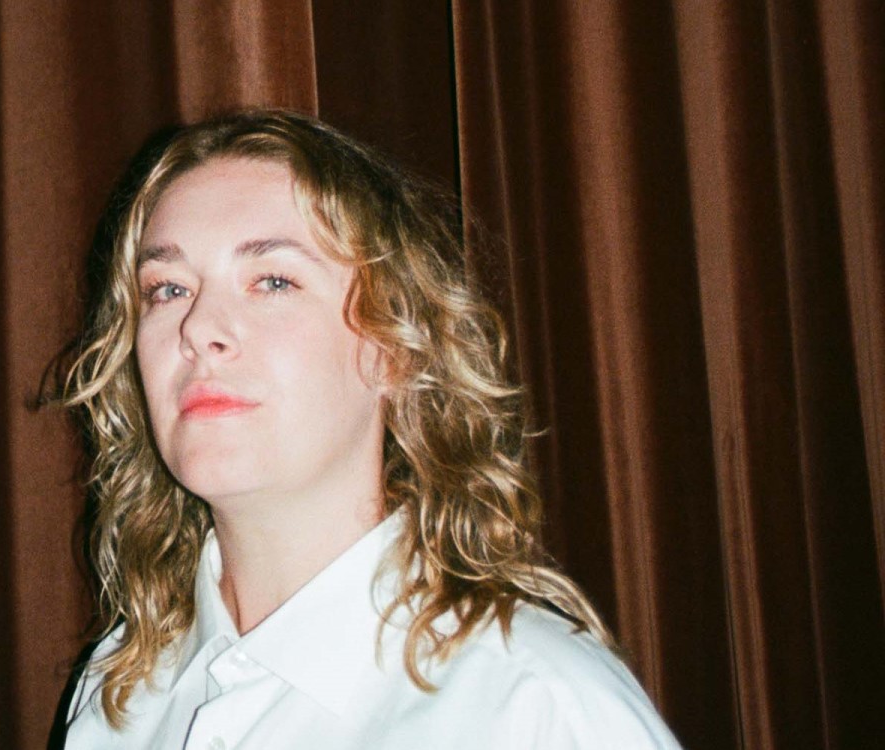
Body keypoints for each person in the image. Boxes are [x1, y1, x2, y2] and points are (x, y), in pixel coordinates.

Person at [56, 110, 679, 748]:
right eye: (167, 289)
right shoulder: (118, 695)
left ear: (395, 346)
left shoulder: (533, 706)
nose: (198, 329)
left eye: (272, 281)